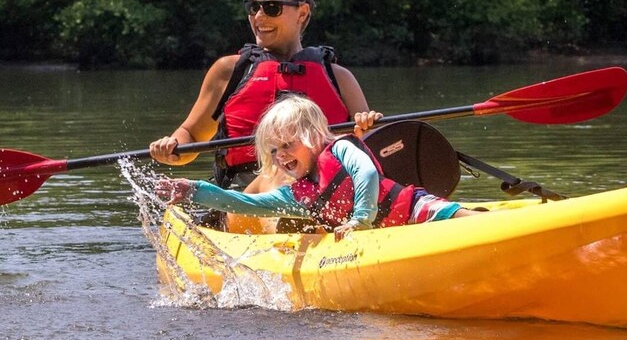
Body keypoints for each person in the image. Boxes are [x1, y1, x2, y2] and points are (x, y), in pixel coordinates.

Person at [149, 0, 380, 194]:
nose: (259, 17)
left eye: (271, 7)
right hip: (247, 196)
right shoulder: (228, 71)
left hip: (325, 192)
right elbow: (192, 136)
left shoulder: (339, 78)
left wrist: (367, 128)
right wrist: (173, 148)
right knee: (280, 175)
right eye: (253, 7)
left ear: (302, 12)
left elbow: (372, 150)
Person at [156, 95, 480, 241]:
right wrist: (195, 190)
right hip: (380, 240)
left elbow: (366, 173)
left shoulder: (340, 148)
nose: (281, 156)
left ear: (313, 136)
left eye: (288, 144)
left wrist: (359, 220)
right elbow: (246, 203)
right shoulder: (298, 195)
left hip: (414, 211)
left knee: (477, 224)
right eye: (274, 150)